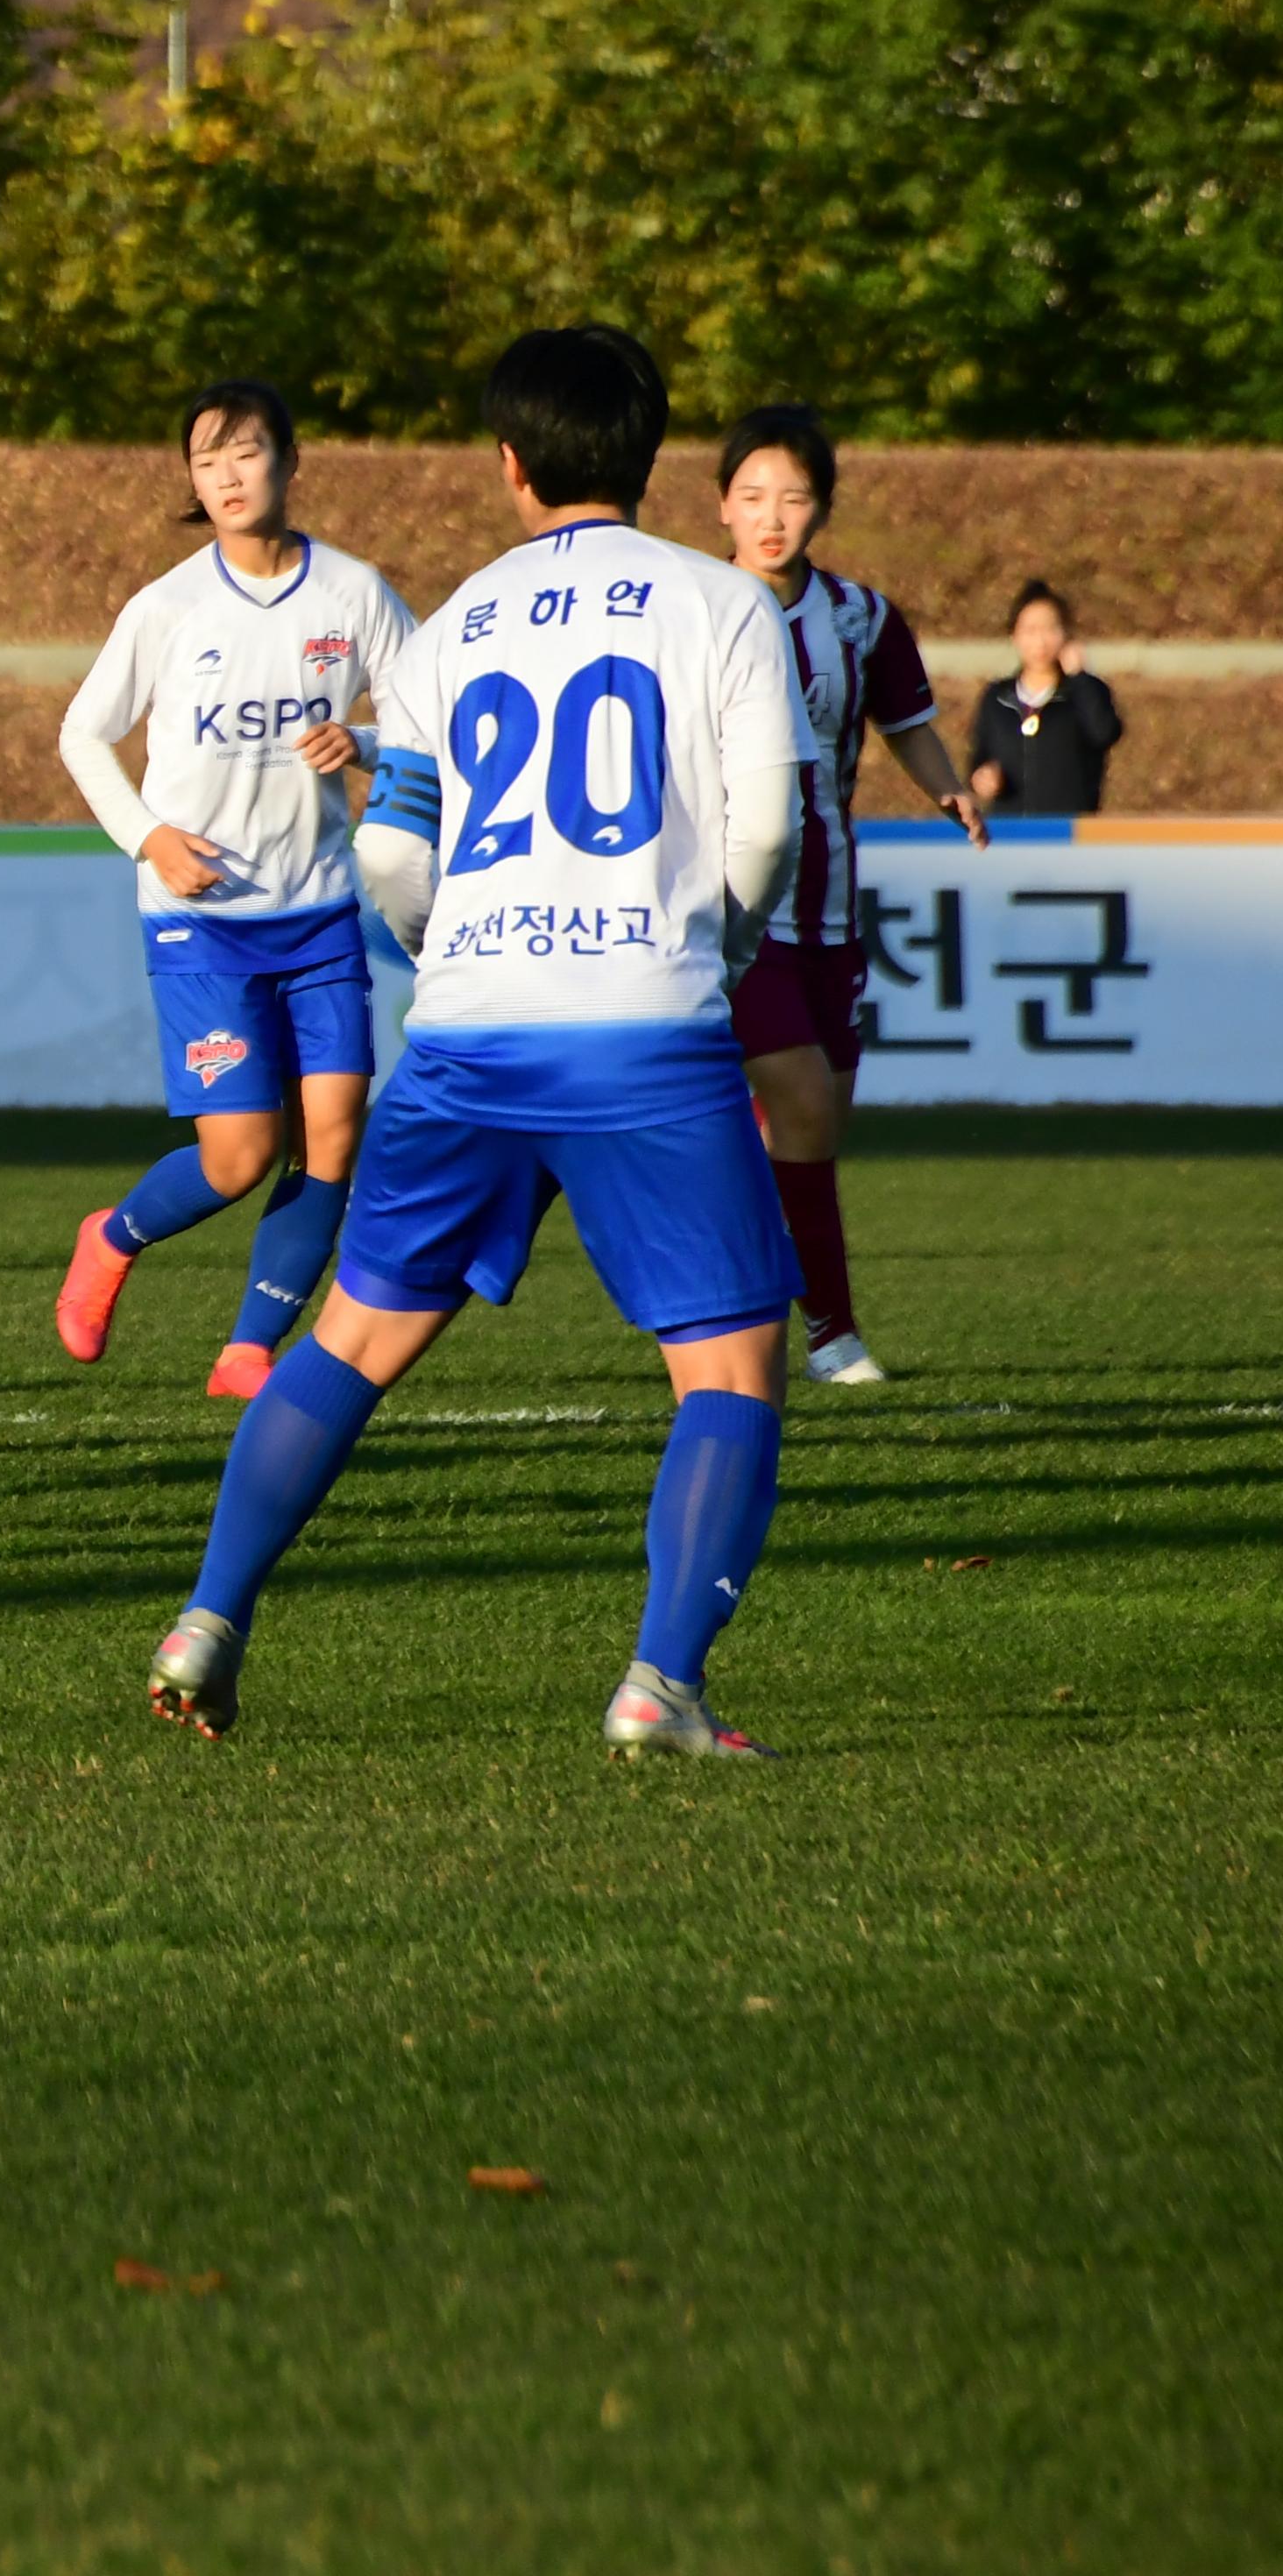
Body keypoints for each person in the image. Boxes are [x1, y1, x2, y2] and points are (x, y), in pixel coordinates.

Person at [145, 327, 815, 1760]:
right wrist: (729, 946)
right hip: (643, 1026)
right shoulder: (722, 605)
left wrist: (450, 947)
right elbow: (762, 828)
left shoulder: (448, 628)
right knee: (728, 1365)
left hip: (465, 1030)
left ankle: (206, 1614)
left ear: (507, 465)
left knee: (353, 1334)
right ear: (649, 457)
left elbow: (389, 850)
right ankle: (659, 1683)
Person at [49, 382, 422, 1400]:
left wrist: (371, 742)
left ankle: (248, 1352)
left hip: (316, 912)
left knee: (337, 1128)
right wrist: (149, 837)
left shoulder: (352, 593)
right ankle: (111, 1236)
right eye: (206, 459)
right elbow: (83, 734)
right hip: (201, 923)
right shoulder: (169, 606)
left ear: (290, 464)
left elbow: (428, 713)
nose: (226, 474)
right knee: (239, 1154)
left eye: (246, 453)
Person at [714, 404, 985, 1386]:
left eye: (792, 495)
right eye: (752, 496)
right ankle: (829, 1333)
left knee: (817, 1118)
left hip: (831, 908)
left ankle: (793, 1294)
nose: (771, 515)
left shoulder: (860, 616)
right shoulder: (695, 609)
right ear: (722, 507)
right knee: (800, 1108)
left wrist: (944, 781)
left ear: (822, 506)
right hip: (736, 907)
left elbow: (905, 718)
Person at [969, 581, 1118, 817]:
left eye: (1050, 629)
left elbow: (1105, 733)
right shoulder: (997, 698)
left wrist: (1080, 679)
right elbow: (979, 756)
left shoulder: (1085, 691)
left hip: (1068, 832)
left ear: (1066, 634)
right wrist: (983, 778)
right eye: (1030, 630)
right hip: (1008, 833)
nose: (1040, 642)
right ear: (1014, 636)